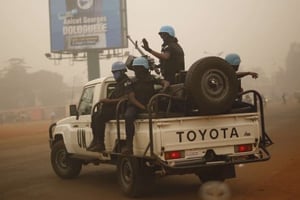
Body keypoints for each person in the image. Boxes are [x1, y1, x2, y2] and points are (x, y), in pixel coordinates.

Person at [122, 57, 170, 155]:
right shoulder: (130, 82)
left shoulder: (152, 78)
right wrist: (143, 108)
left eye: (139, 68)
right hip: (135, 107)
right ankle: (129, 145)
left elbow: (165, 82)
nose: (137, 71)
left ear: (144, 68)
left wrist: (164, 87)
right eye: (136, 69)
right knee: (128, 116)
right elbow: (132, 98)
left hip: (150, 104)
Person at [87, 61, 131, 152]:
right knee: (95, 115)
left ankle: (100, 144)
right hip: (114, 108)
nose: (114, 75)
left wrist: (109, 101)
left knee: (99, 117)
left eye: (115, 73)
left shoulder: (126, 82)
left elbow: (126, 97)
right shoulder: (119, 83)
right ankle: (96, 141)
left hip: (120, 109)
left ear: (121, 72)